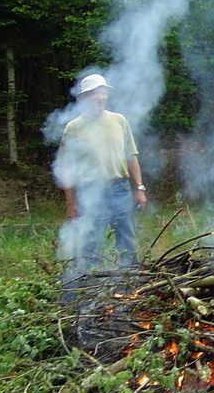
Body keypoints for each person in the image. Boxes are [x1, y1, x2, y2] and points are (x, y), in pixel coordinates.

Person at [54, 73, 147, 273]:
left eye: (103, 92)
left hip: (120, 189)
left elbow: (132, 157)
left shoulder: (119, 120)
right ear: (84, 98)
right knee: (91, 242)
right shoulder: (74, 127)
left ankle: (130, 279)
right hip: (90, 192)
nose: (100, 97)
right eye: (95, 93)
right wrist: (71, 204)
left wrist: (139, 188)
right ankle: (91, 287)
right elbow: (66, 169)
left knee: (127, 237)